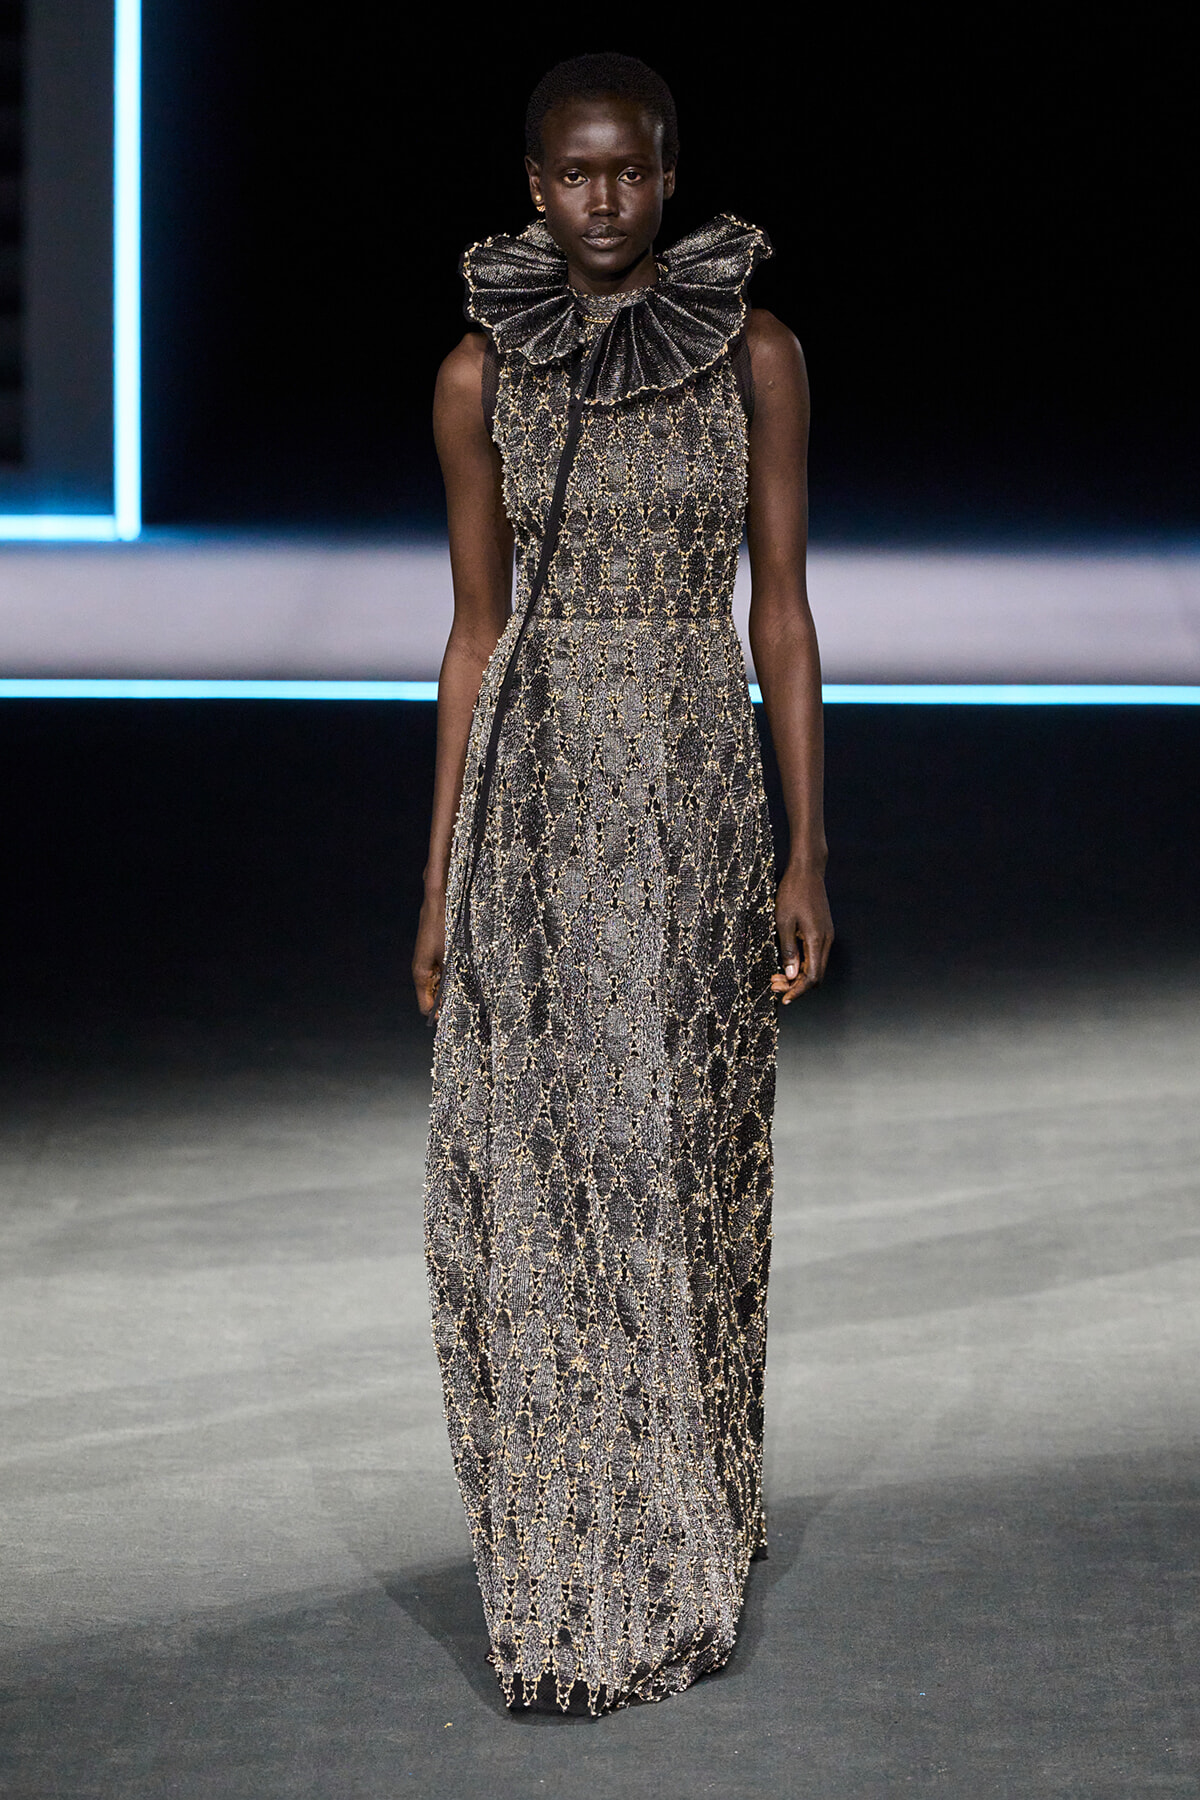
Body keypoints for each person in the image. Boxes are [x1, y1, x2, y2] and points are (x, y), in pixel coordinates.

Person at [414, 52, 832, 1715]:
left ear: (670, 174)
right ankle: (562, 1555)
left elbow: (780, 611)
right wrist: (437, 882)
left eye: (634, 171)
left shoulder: (755, 354)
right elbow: (471, 636)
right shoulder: (477, 375)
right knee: (541, 1178)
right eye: (576, 174)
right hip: (531, 798)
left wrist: (809, 844)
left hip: (692, 778)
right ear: (534, 186)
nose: (606, 200)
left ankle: (684, 1514)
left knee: (683, 1160)